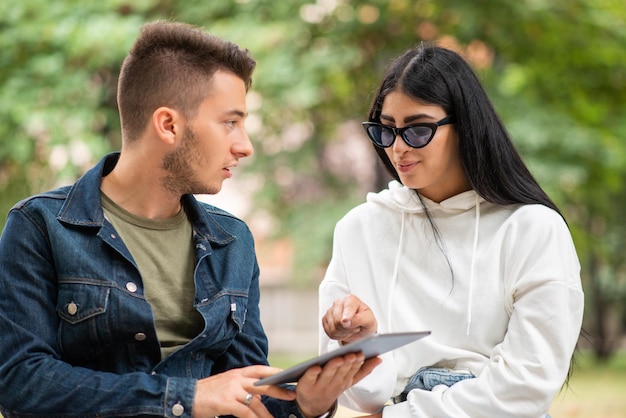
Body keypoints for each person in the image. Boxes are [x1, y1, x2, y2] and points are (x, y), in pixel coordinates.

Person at [0, 21, 380, 418]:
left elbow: (247, 392)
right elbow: (21, 382)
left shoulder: (232, 241)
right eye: (230, 122)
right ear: (168, 125)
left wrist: (306, 403)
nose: (245, 145)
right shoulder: (40, 226)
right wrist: (186, 397)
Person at [319, 43, 584, 418]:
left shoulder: (532, 229)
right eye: (386, 130)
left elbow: (527, 386)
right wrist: (364, 343)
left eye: (418, 130)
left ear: (466, 127)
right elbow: (360, 398)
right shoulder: (359, 230)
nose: (398, 148)